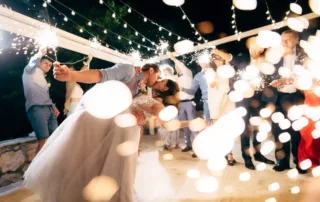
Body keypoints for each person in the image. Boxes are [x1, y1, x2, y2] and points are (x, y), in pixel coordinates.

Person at [25, 62, 202, 202]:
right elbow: (99, 74)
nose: (158, 79)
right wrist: (72, 75)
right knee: (80, 166)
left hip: (115, 133)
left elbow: (158, 116)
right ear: (150, 70)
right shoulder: (129, 70)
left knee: (98, 170)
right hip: (94, 122)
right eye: (158, 75)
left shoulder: (141, 91)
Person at [213, 38, 275, 170]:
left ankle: (258, 154)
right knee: (245, 129)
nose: (254, 50)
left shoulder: (265, 62)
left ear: (262, 49)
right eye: (252, 47)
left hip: (260, 98)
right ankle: (247, 158)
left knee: (258, 127)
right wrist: (217, 51)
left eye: (257, 48)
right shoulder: (243, 58)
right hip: (244, 99)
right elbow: (230, 57)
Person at [269, 30, 306, 173]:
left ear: (296, 39)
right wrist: (274, 81)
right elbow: (268, 74)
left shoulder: (303, 55)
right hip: (278, 98)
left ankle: (300, 162)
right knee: (279, 132)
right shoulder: (276, 56)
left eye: (288, 39)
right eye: (282, 40)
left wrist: (293, 80)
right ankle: (282, 162)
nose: (284, 43)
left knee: (297, 132)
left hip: (297, 97)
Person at [22, 47, 60, 154]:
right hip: (37, 108)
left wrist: (53, 107)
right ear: (39, 62)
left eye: (50, 65)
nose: (48, 66)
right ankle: (33, 171)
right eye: (45, 63)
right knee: (43, 141)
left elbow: (46, 96)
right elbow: (33, 62)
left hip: (50, 110)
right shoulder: (29, 71)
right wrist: (40, 53)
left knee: (55, 140)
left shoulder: (44, 78)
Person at [207, 52, 236, 165]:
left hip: (227, 101)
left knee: (228, 129)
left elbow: (229, 58)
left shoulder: (228, 68)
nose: (217, 60)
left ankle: (230, 154)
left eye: (220, 58)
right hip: (215, 103)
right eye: (215, 58)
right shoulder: (210, 72)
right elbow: (212, 84)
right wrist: (213, 81)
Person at [168, 53, 196, 153]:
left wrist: (173, 58)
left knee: (193, 124)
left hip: (189, 103)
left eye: (178, 65)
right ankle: (188, 144)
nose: (177, 67)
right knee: (184, 125)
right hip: (181, 104)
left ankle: (196, 146)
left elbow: (181, 65)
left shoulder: (188, 73)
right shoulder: (178, 78)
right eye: (176, 66)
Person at [158, 65, 180, 151]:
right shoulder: (161, 83)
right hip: (165, 105)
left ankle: (175, 143)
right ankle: (168, 144)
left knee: (174, 124)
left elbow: (177, 94)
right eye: (164, 72)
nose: (165, 74)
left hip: (173, 105)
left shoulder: (174, 82)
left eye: (166, 72)